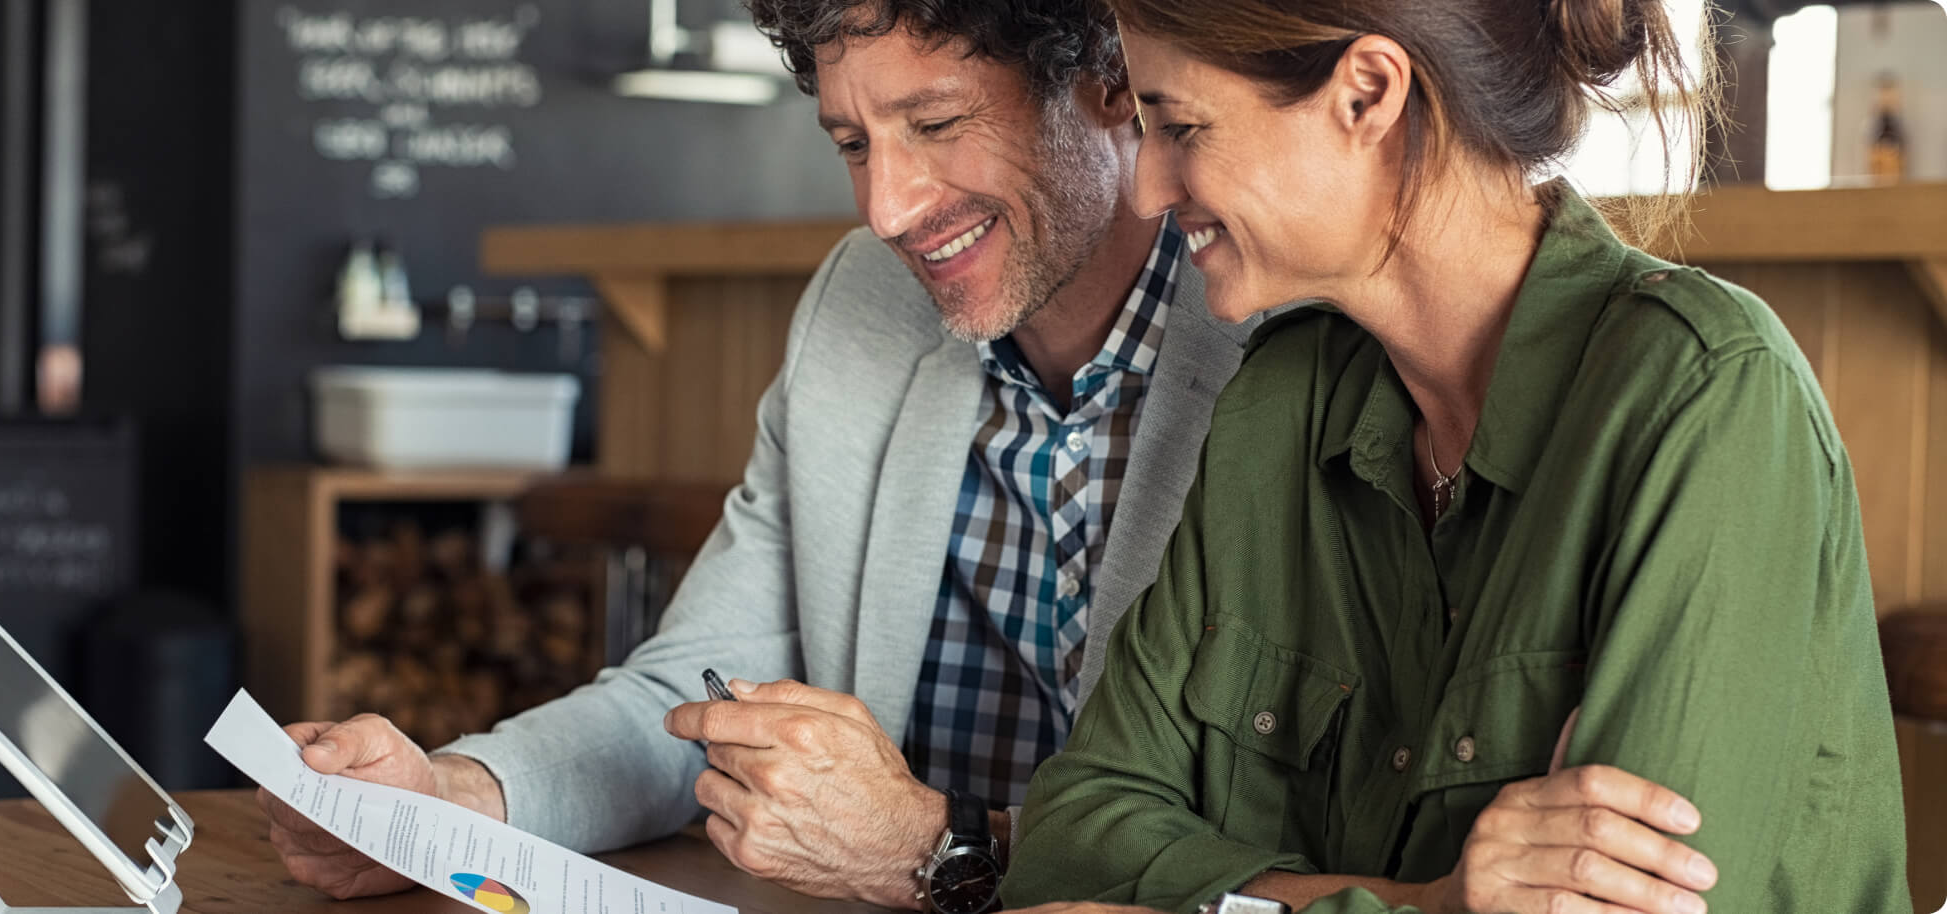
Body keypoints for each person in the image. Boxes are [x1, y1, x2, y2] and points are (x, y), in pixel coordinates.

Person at [261, 2, 1275, 911]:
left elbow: (1305, 848)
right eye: (851, 141)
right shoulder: (859, 302)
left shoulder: (1288, 354)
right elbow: (692, 700)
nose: (887, 208)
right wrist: (443, 800)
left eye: (934, 124)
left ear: (1106, 83)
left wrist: (938, 847)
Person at [1000, 0, 1911, 912]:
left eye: (1181, 127)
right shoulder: (1278, 403)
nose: (1146, 189)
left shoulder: (1706, 399)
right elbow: (1069, 847)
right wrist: (1430, 905)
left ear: (1367, 94)